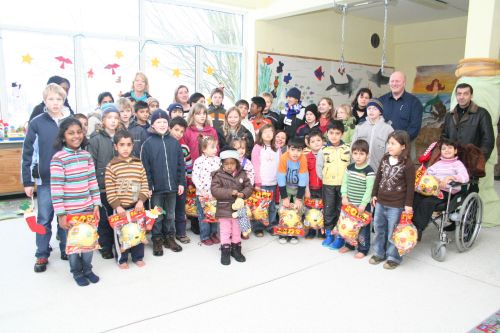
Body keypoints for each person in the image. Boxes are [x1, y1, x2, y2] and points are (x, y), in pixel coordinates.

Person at [22, 83, 72, 272]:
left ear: (64, 100)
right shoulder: (37, 122)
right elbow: (27, 153)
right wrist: (27, 181)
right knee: (43, 218)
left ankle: (67, 248)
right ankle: (41, 253)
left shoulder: (70, 121)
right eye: (51, 99)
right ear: (44, 101)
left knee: (66, 216)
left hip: (67, 180)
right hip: (46, 181)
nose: (55, 102)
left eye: (59, 99)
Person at [50, 117, 101, 286]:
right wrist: (61, 214)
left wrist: (96, 204)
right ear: (63, 136)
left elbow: (93, 181)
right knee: (74, 246)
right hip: (70, 212)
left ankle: (87, 269)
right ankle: (76, 272)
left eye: (79, 132)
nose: (76, 136)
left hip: (87, 209)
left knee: (88, 242)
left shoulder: (86, 155)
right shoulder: (58, 158)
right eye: (71, 133)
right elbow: (56, 189)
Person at [141, 109, 185, 256]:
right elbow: (145, 168)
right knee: (157, 215)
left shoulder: (174, 143)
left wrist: (181, 183)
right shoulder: (148, 144)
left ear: (169, 124)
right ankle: (157, 239)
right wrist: (149, 185)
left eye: (165, 122)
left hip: (172, 187)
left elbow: (180, 165)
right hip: (156, 188)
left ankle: (169, 237)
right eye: (158, 122)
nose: (162, 124)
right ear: (152, 124)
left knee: (170, 214)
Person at [370, 130, 415, 270]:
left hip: (396, 204)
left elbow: (410, 186)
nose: (389, 146)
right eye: (388, 143)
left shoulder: (407, 164)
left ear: (403, 146)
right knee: (378, 228)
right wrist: (374, 194)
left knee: (393, 232)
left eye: (393, 144)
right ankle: (378, 253)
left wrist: (408, 204)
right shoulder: (385, 158)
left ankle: (393, 257)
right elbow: (378, 177)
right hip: (381, 202)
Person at [104, 130, 149, 268]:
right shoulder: (111, 166)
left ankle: (138, 256)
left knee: (138, 232)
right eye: (122, 145)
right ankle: (122, 259)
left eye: (129, 144)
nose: (125, 148)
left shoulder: (138, 163)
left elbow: (144, 183)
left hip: (136, 207)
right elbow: (110, 189)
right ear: (115, 147)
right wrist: (117, 206)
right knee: (121, 236)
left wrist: (141, 200)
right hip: (120, 209)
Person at [412, 139, 469, 240]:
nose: (447, 150)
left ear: (455, 151)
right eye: (444, 148)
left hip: (446, 192)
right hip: (431, 189)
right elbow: (427, 172)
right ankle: (410, 223)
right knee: (415, 197)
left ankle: (418, 228)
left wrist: (451, 177)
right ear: (440, 151)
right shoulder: (438, 164)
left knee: (427, 202)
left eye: (450, 148)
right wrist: (431, 178)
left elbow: (465, 177)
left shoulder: (457, 164)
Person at [88, 103, 120, 259]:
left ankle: (118, 243)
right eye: (109, 118)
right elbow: (91, 164)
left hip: (119, 185)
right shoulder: (95, 139)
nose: (113, 121)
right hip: (102, 186)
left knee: (118, 215)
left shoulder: (122, 136)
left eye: (116, 118)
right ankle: (105, 246)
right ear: (103, 120)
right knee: (104, 219)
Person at [211, 149, 253, 265]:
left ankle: (236, 250)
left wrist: (243, 194)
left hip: (238, 209)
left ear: (237, 163)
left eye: (232, 163)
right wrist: (231, 192)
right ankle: (225, 251)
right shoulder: (217, 175)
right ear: (222, 164)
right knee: (225, 231)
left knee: (236, 230)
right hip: (224, 209)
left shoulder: (242, 174)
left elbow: (249, 187)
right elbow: (215, 190)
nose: (229, 166)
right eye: (226, 164)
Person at [316, 121, 350, 249]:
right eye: (331, 133)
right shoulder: (323, 150)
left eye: (337, 133)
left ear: (342, 134)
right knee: (329, 209)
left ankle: (340, 236)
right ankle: (329, 234)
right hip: (328, 184)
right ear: (327, 133)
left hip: (344, 186)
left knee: (341, 210)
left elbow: (351, 166)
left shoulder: (347, 148)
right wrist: (325, 177)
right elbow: (319, 168)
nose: (334, 136)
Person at [339, 139, 375, 258]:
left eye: (361, 154)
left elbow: (369, 190)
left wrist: (363, 204)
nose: (358, 157)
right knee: (349, 225)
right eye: (355, 153)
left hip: (362, 206)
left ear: (367, 155)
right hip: (349, 204)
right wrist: (344, 196)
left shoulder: (369, 171)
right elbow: (344, 183)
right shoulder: (349, 168)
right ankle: (349, 245)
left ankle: (363, 249)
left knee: (363, 229)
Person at [442, 83, 494, 162]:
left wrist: (479, 160)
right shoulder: (449, 115)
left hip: (472, 162)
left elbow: (488, 141)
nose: (462, 97)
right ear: (456, 96)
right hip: (451, 161)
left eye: (465, 94)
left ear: (471, 95)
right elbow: (444, 137)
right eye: (459, 94)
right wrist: (446, 156)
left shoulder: (482, 113)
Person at [277, 137, 309, 245]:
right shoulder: (284, 158)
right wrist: (285, 197)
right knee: (283, 208)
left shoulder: (303, 159)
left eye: (299, 150)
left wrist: (299, 199)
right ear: (288, 149)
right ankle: (283, 232)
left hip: (298, 188)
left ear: (302, 150)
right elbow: (280, 177)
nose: (295, 153)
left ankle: (294, 232)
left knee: (298, 208)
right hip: (285, 186)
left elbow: (303, 179)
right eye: (293, 149)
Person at [252, 124, 280, 237]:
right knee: (260, 206)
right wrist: (257, 182)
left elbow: (279, 165)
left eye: (270, 131)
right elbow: (255, 165)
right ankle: (258, 227)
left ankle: (271, 225)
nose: (268, 134)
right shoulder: (257, 148)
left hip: (273, 182)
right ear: (261, 135)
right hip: (262, 182)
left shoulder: (277, 148)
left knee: (271, 205)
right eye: (265, 132)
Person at [192, 136, 221, 245]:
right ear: (204, 149)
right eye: (212, 147)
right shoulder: (199, 161)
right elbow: (195, 177)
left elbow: (221, 176)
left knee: (214, 215)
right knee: (204, 216)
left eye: (216, 147)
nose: (215, 149)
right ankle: (205, 236)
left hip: (215, 194)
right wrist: (202, 190)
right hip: (203, 195)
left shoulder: (218, 160)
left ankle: (213, 234)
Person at [169, 116, 194, 243]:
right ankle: (168, 234)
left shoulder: (184, 148)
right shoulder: (165, 145)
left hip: (182, 183)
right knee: (168, 210)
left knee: (180, 208)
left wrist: (189, 182)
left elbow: (189, 167)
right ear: (169, 129)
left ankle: (181, 232)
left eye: (181, 131)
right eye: (176, 130)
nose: (178, 133)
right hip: (168, 183)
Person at [351, 99, 394, 173]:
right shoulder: (360, 127)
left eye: (375, 109)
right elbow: (352, 147)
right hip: (360, 170)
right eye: (369, 108)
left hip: (378, 171)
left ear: (380, 111)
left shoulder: (388, 129)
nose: (371, 111)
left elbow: (390, 152)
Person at [378, 71, 423, 141]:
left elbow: (415, 128)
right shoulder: (381, 100)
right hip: (383, 142)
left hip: (405, 144)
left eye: (397, 81)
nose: (394, 84)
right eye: (392, 81)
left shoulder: (414, 102)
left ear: (404, 83)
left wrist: (399, 141)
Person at [304, 130, 324, 239]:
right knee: (310, 209)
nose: (316, 143)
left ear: (323, 141)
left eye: (318, 140)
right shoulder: (306, 157)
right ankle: (311, 230)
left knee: (322, 210)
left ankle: (321, 230)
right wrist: (306, 189)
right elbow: (305, 175)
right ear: (308, 144)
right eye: (313, 141)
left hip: (323, 188)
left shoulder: (326, 155)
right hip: (311, 188)